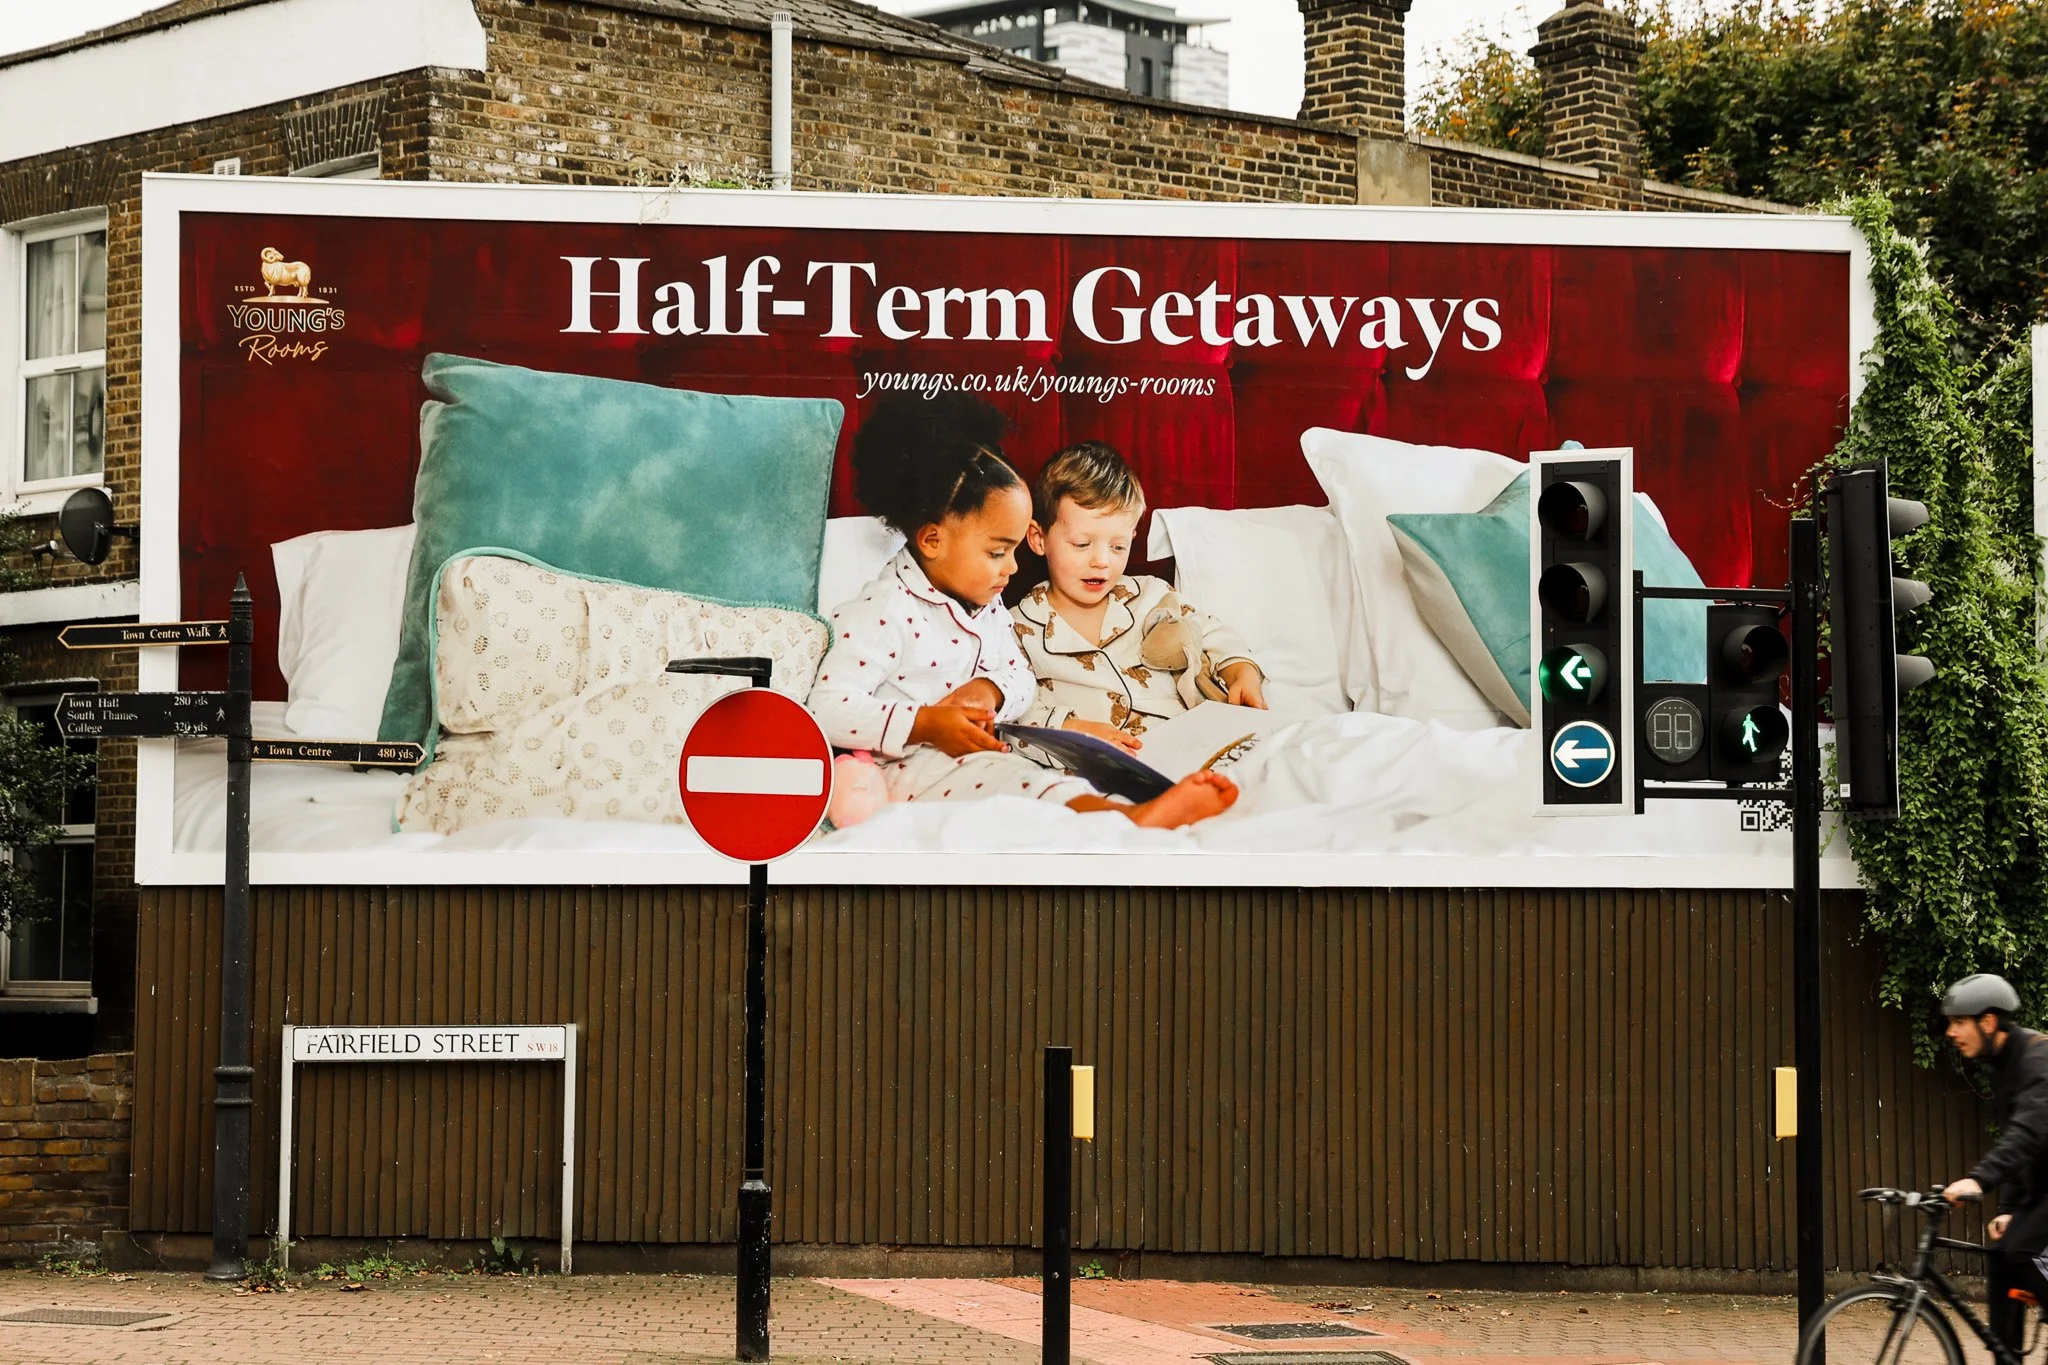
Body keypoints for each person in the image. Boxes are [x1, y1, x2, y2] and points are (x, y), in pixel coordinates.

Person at [804, 394, 1238, 829]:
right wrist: (925, 724)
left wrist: (992, 690)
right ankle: (1127, 820)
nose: (1013, 568)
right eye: (997, 552)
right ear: (932, 541)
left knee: (1035, 785)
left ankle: (1125, 817)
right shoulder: (882, 611)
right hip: (900, 771)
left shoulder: (988, 607)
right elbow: (826, 708)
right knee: (1026, 787)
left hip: (976, 761)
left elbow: (1020, 676)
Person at [1011, 441, 1266, 753]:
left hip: (1196, 749)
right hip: (1100, 770)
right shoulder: (1015, 631)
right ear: (1039, 539)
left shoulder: (1151, 595)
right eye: (1081, 544)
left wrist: (1242, 673)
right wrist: (1074, 729)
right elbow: (1013, 714)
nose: (1102, 561)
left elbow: (1213, 632)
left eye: (1118, 546)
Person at [1940, 972, 2048, 1357]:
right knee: (2002, 1255)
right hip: (2041, 1186)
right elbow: (2020, 1148)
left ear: (1987, 1022)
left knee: (2019, 1252)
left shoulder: (2038, 1059)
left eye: (1958, 1021)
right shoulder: (2001, 1066)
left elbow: (2030, 1131)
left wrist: (1978, 1181)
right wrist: (2008, 1209)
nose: (1951, 1032)